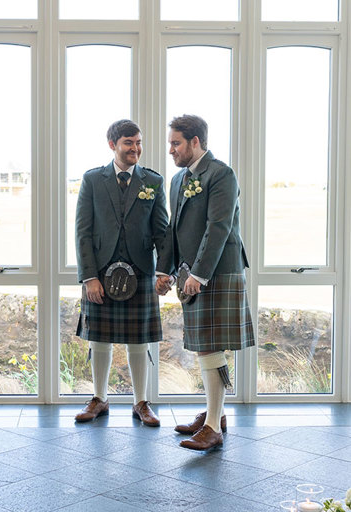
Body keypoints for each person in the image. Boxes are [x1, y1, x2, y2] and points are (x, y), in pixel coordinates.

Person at [156, 114, 255, 450]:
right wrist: (165, 271)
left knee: (211, 344)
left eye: (175, 143)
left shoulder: (221, 174)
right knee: (204, 344)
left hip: (218, 271)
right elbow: (173, 230)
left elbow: (219, 227)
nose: (170, 149)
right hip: (191, 272)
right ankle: (216, 414)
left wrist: (198, 274)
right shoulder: (177, 180)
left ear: (195, 142)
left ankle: (212, 427)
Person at [74, 119, 169, 426]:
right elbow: (83, 232)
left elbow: (161, 232)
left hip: (140, 272)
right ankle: (99, 399)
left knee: (139, 341)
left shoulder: (152, 181)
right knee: (99, 340)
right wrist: (89, 277)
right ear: (113, 145)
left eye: (138, 142)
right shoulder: (92, 180)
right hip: (100, 274)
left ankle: (141, 402)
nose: (135, 149)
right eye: (129, 143)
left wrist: (163, 272)